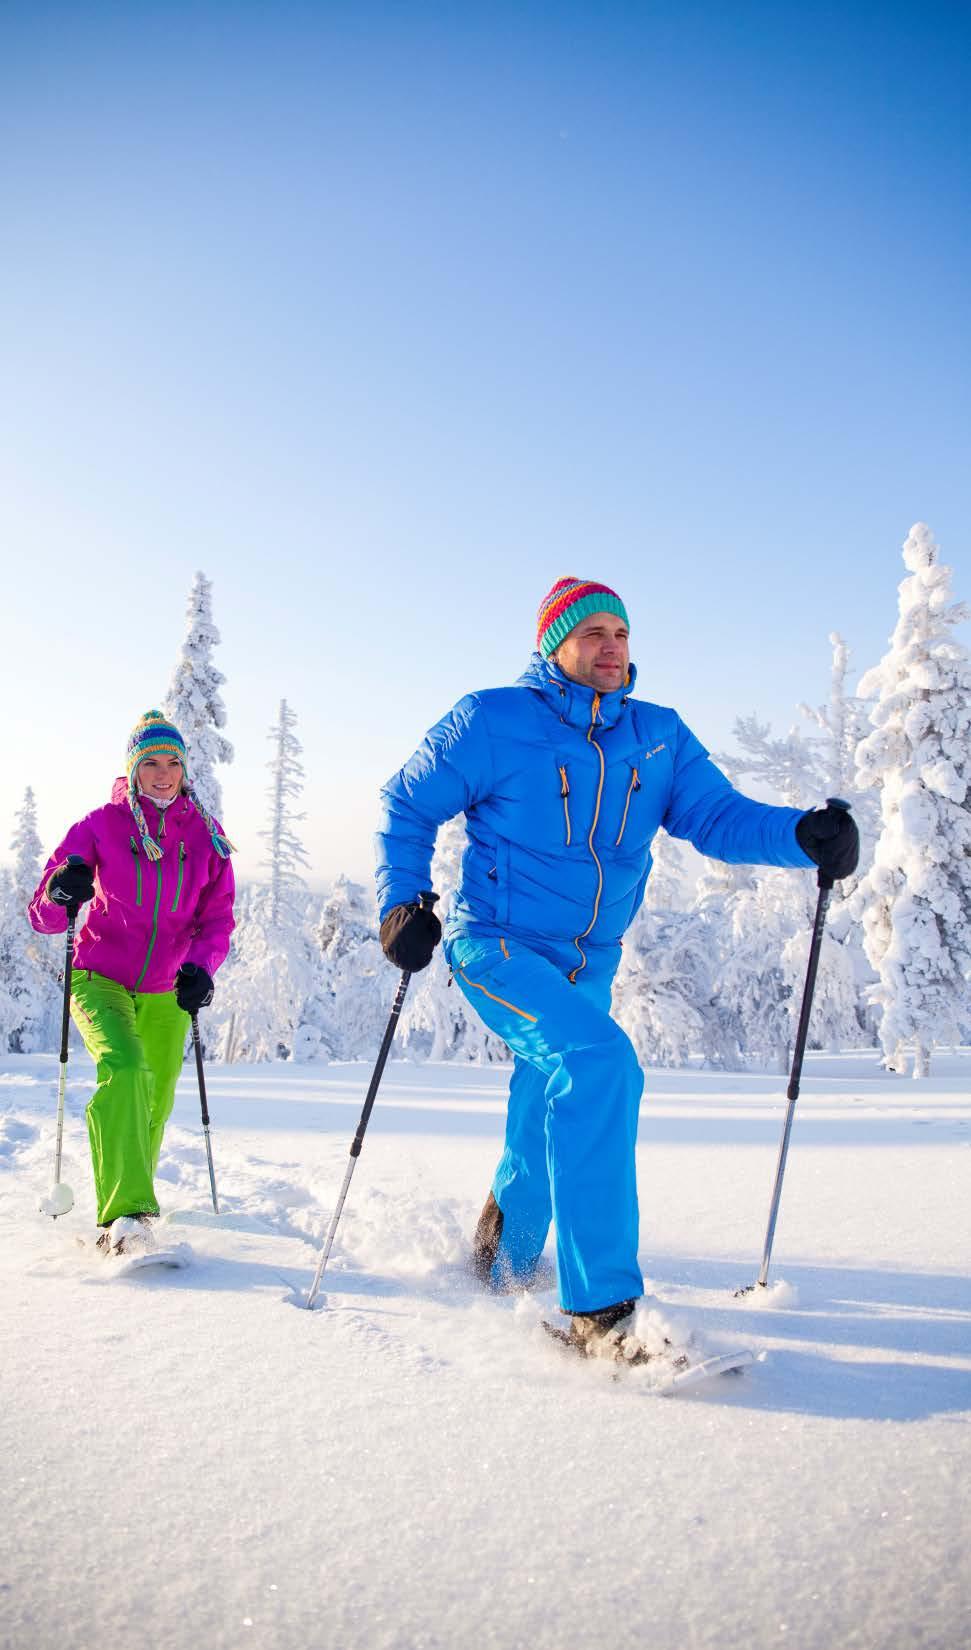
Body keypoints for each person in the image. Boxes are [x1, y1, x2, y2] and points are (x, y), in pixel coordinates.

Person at [375, 577, 859, 1361]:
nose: (610, 647)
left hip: (589, 959)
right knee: (598, 1066)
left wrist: (800, 835)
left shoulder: (656, 736)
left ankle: (501, 1260)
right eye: (592, 632)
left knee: (546, 1101)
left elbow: (717, 817)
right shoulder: (491, 721)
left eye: (621, 634)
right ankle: (600, 1313)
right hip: (495, 945)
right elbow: (406, 805)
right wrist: (402, 901)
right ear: (553, 645)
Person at [28, 710, 236, 1256]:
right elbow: (43, 916)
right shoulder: (100, 826)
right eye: (151, 763)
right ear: (133, 769)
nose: (163, 774)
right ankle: (125, 1217)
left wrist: (201, 967)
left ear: (184, 769)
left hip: (168, 987)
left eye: (172, 763)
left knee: (154, 1100)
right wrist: (60, 891)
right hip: (100, 977)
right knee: (123, 1068)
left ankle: (131, 1206)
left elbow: (217, 919)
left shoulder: (207, 837)